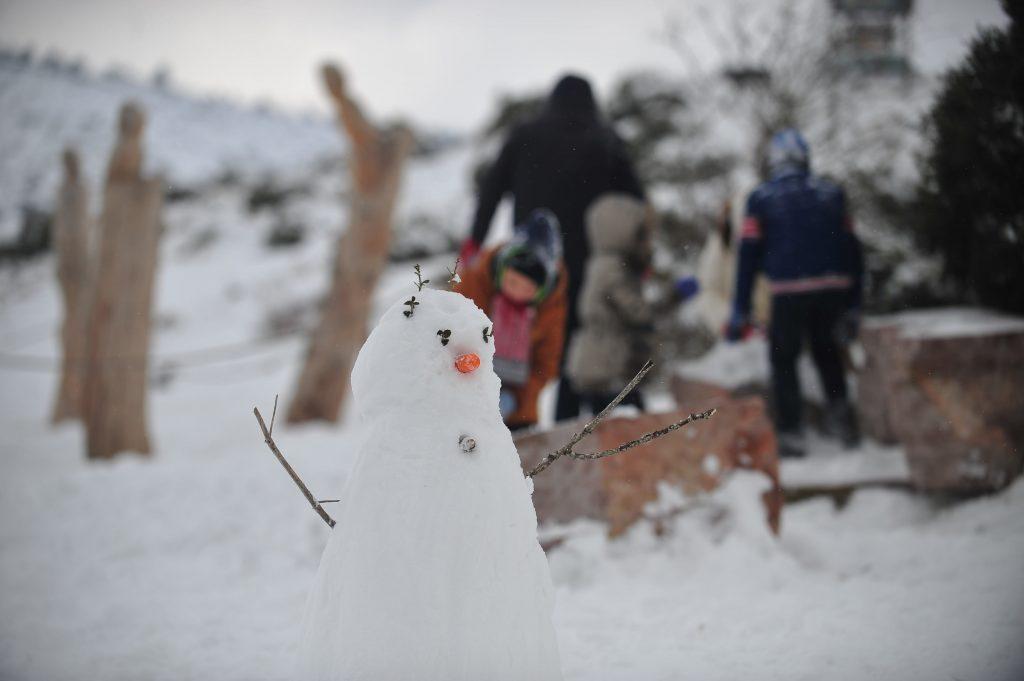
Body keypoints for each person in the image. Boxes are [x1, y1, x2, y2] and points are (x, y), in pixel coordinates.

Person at [460, 73, 645, 423]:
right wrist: (637, 259)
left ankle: (511, 422)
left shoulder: (525, 135)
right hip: (589, 261)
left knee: (529, 346)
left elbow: (491, 189)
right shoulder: (605, 139)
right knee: (580, 342)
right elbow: (635, 204)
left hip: (531, 266)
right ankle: (573, 428)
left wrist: (474, 242)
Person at [727, 128, 864, 458]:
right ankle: (841, 420)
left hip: (788, 289)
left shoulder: (761, 198)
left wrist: (740, 309)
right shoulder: (831, 193)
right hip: (833, 286)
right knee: (827, 352)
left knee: (784, 359)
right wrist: (854, 303)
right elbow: (853, 250)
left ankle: (791, 433)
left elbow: (747, 257)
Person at [567, 194, 699, 415]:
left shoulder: (607, 264)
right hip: (607, 366)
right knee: (623, 429)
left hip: (605, 364)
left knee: (617, 427)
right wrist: (674, 296)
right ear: (625, 235)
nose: (647, 244)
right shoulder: (612, 270)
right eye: (643, 237)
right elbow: (639, 313)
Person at [455, 210, 567, 431]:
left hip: (518, 412)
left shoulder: (550, 307)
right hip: (462, 399)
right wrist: (471, 385)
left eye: (528, 288)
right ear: (501, 270)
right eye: (513, 282)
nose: (518, 293)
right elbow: (449, 334)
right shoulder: (476, 282)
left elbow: (547, 364)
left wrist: (515, 400)